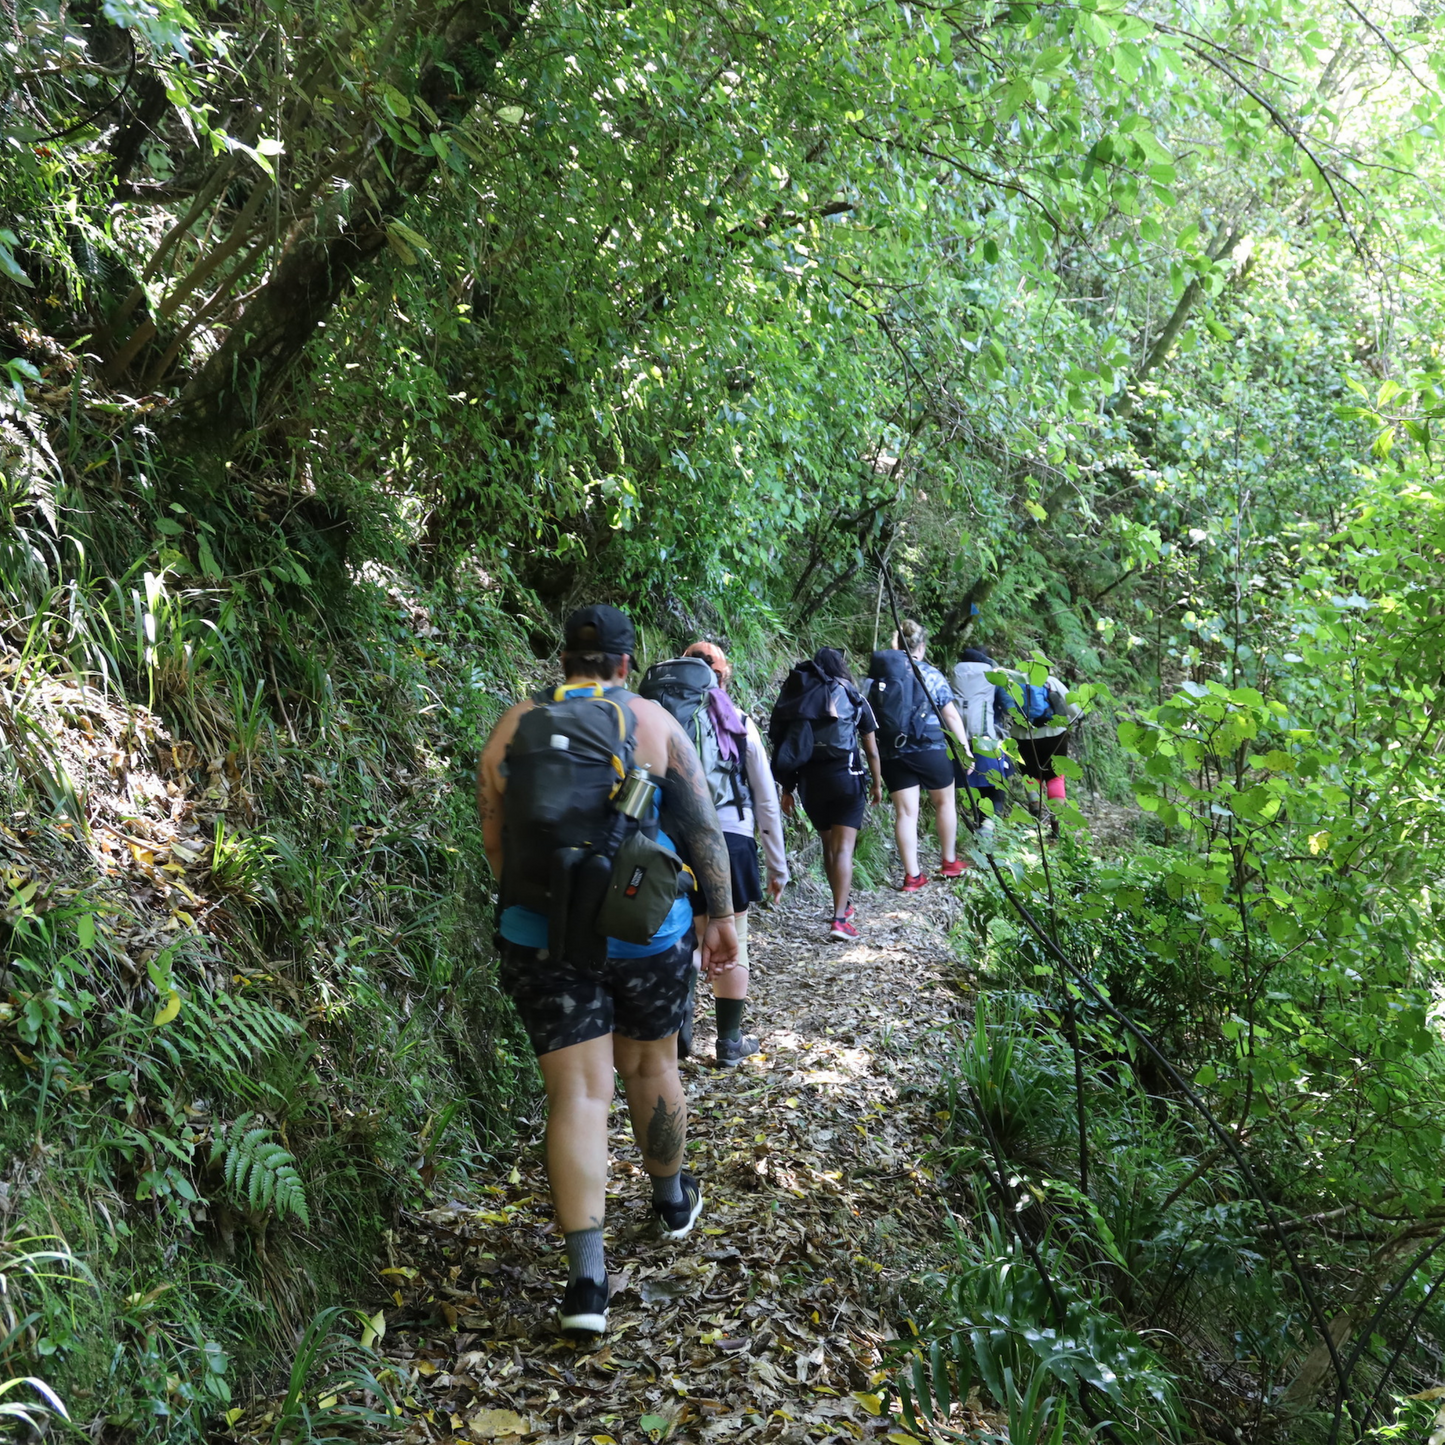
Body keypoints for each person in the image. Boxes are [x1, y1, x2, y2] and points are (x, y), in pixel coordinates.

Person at [475, 605, 738, 1338]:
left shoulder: (513, 727)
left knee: (578, 1093)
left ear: (564, 659)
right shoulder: (652, 721)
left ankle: (586, 1284)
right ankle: (671, 1202)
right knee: (652, 1067)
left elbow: (496, 842)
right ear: (626, 664)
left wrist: (541, 917)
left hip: (541, 937)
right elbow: (701, 826)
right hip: (643, 929)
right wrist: (719, 916)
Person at [674, 641, 788, 1066]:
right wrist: (777, 864)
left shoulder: (665, 720)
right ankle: (729, 1041)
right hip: (732, 840)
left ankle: (676, 1030)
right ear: (723, 677)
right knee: (733, 937)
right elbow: (765, 798)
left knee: (686, 933)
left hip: (676, 842)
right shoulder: (738, 721)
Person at [772, 647, 883, 942]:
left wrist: (787, 789)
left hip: (810, 782)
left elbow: (788, 744)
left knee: (828, 846)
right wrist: (877, 783)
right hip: (846, 777)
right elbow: (871, 749)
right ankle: (839, 919)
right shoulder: (852, 695)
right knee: (843, 849)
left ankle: (842, 905)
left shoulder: (801, 696)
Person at [868, 619, 972, 892]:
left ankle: (912, 876)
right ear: (921, 647)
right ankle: (949, 862)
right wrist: (965, 749)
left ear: (896, 645)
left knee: (905, 813)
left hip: (892, 752)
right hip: (930, 748)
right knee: (944, 802)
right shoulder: (931, 674)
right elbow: (951, 715)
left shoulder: (879, 676)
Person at [1007, 661, 1082, 840]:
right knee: (1055, 777)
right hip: (1054, 735)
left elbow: (1008, 706)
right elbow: (1075, 710)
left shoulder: (1016, 682)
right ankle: (1055, 825)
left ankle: (1035, 807)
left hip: (1023, 736)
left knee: (1031, 775)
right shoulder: (1051, 682)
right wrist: (1080, 716)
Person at [950, 645, 1015, 847]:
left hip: (958, 742)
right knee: (998, 785)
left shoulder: (955, 675)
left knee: (975, 787)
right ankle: (987, 825)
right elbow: (1010, 707)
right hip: (987, 740)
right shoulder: (992, 676)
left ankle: (979, 826)